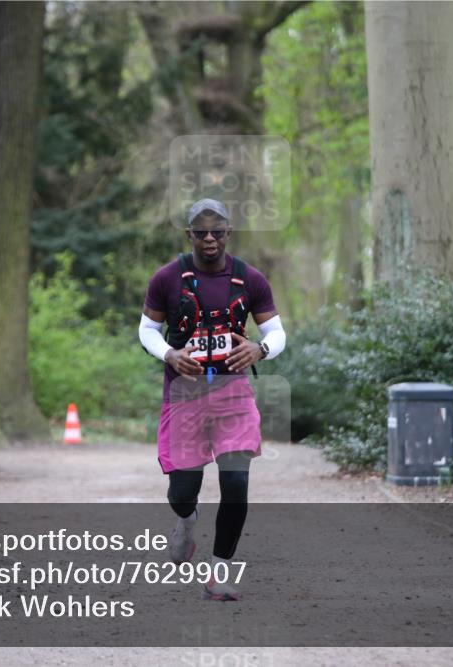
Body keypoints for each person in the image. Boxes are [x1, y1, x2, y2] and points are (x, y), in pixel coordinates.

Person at [138, 198, 286, 601]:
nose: (209, 239)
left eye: (217, 232)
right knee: (181, 492)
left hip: (233, 393)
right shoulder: (167, 278)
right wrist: (169, 354)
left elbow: (276, 332)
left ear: (228, 234)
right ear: (189, 234)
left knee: (236, 482)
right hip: (184, 395)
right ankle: (187, 523)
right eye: (201, 232)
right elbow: (147, 329)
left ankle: (219, 574)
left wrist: (260, 349)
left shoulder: (250, 279)